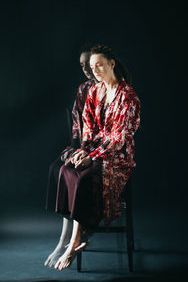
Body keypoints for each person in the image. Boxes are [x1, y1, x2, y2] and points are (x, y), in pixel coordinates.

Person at [51, 44, 140, 271]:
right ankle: (80, 235)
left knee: (84, 177)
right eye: (92, 66)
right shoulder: (94, 91)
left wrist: (93, 157)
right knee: (66, 169)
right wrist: (84, 152)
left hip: (117, 157)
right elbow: (88, 128)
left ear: (112, 63)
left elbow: (119, 137)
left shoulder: (127, 95)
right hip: (96, 151)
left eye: (100, 64)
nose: (96, 70)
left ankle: (74, 242)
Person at [44, 44, 98, 268]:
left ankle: (75, 236)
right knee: (57, 168)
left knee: (76, 175)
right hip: (83, 145)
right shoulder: (83, 88)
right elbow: (77, 123)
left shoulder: (112, 89)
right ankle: (64, 237)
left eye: (90, 64)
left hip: (100, 149)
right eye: (82, 65)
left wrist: (90, 151)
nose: (86, 69)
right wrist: (78, 148)